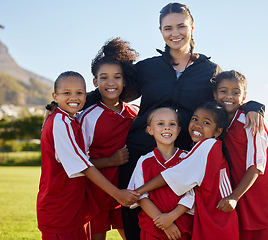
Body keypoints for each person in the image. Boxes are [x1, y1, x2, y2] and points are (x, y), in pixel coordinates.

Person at [84, 3, 265, 239]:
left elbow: (228, 95)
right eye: (168, 28)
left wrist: (254, 106)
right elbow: (113, 89)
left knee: (182, 218)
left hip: (186, 155)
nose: (175, 33)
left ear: (192, 27)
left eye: (181, 26)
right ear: (160, 31)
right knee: (135, 207)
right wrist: (66, 103)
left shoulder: (210, 70)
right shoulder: (148, 67)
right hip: (142, 149)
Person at [37, 71, 139, 240]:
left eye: (79, 93)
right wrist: (117, 193)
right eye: (67, 93)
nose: (74, 97)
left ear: (86, 95)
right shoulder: (60, 122)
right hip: (59, 210)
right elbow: (84, 165)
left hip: (75, 206)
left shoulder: (71, 120)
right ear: (55, 96)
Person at [135, 102, 239, 240]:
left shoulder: (207, 146)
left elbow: (170, 177)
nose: (198, 125)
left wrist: (137, 192)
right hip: (211, 218)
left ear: (218, 131)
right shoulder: (207, 147)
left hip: (217, 219)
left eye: (206, 122)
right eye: (195, 119)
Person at [213, 70, 268, 240]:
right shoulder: (219, 123)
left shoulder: (251, 122)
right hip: (241, 198)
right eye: (223, 91)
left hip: (262, 198)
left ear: (244, 96)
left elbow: (256, 167)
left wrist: (234, 196)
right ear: (215, 94)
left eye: (236, 92)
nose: (229, 96)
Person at [78, 38, 139, 240]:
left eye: (117, 77)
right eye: (104, 77)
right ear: (95, 82)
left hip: (127, 190)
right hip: (96, 192)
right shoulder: (87, 116)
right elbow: (78, 163)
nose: (110, 82)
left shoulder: (136, 114)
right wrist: (110, 161)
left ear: (124, 81)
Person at [128, 107, 194, 240]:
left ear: (178, 130)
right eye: (160, 123)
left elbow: (192, 195)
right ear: (150, 130)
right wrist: (164, 223)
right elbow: (139, 195)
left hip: (181, 227)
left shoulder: (188, 158)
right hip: (153, 227)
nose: (167, 127)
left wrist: (171, 217)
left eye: (172, 124)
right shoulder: (144, 161)